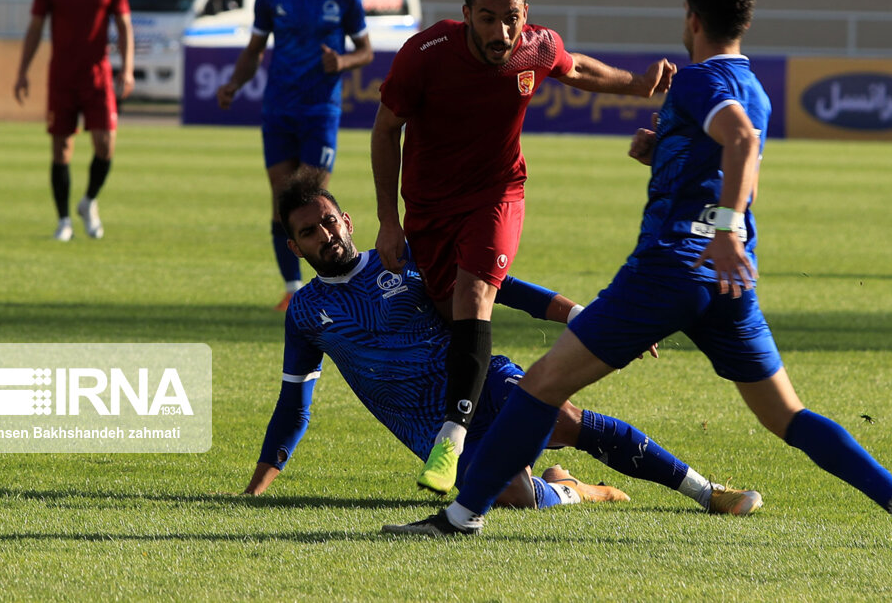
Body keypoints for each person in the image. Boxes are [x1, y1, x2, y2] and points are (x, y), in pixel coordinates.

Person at [383, 0, 892, 548]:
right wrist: (662, 153)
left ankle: (459, 516)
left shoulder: (693, 80)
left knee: (540, 386)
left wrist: (726, 229)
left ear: (691, 18)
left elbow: (735, 141)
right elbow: (730, 154)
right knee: (786, 416)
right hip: (730, 285)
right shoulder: (757, 90)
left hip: (672, 269)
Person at [244, 178, 764, 519]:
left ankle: (707, 493)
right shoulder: (307, 314)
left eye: (330, 222)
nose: (326, 236)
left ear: (348, 220)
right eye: (309, 233)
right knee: (513, 495)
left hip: (479, 383)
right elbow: (295, 405)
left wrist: (583, 315)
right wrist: (255, 492)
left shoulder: (401, 257)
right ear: (295, 248)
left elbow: (499, 285)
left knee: (562, 418)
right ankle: (576, 489)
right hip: (432, 433)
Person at [371, 0, 676, 494]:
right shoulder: (425, 55)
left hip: (497, 194)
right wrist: (388, 221)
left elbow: (577, 67)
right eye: (488, 18)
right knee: (452, 312)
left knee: (476, 297)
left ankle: (453, 434)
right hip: (430, 210)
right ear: (467, 13)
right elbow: (385, 128)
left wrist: (638, 85)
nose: (502, 31)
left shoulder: (535, 45)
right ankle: (520, 418)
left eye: (511, 17)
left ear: (525, 11)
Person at [217, 0, 373, 311]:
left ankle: (331, 283)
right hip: (279, 109)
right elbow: (254, 51)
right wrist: (234, 83)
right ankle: (292, 288)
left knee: (311, 198)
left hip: (321, 110)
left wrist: (341, 62)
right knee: (282, 199)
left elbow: (365, 51)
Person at [14, 0, 134, 241]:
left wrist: (127, 67)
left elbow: (124, 26)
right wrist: (23, 71)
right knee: (61, 148)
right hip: (62, 77)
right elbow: (36, 28)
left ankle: (88, 201)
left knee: (106, 144)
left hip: (97, 76)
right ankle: (63, 220)